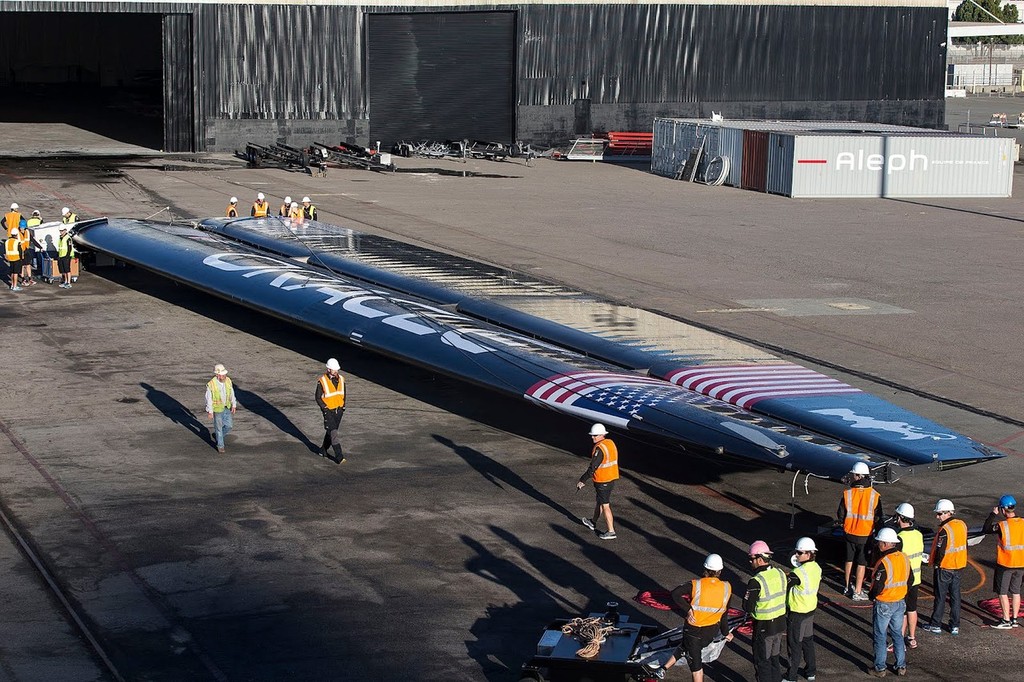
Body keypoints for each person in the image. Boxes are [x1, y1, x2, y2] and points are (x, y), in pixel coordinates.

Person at [661, 553, 734, 682]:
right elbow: (724, 613)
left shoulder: (696, 585)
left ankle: (662, 670)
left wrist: (688, 609)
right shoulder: (727, 588)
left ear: (705, 569)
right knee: (684, 647)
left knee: (697, 669)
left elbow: (675, 594)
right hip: (710, 631)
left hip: (694, 631)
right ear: (720, 571)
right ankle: (663, 669)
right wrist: (726, 633)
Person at [868, 527, 912, 677]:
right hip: (900, 602)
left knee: (880, 636)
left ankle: (880, 668)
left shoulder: (884, 562)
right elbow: (910, 580)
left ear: (886, 544)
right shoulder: (904, 557)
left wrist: (871, 595)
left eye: (880, 542)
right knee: (897, 635)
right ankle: (901, 666)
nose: (878, 545)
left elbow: (878, 586)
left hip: (884, 603)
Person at [837, 461, 883, 600]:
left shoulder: (848, 493)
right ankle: (857, 590)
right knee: (861, 562)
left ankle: (847, 586)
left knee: (849, 559)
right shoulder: (875, 495)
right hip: (866, 534)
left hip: (849, 532)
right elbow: (878, 517)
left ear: (857, 476)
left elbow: (840, 514)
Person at [922, 498, 967, 636]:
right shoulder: (962, 525)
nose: (938, 517)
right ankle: (955, 625)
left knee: (940, 597)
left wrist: (935, 563)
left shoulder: (944, 530)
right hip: (957, 567)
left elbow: (941, 550)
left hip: (944, 568)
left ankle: (935, 624)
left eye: (940, 514)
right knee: (955, 597)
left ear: (948, 513)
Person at [743, 540, 786, 682]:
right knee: (774, 660)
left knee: (762, 662)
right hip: (779, 625)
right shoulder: (780, 573)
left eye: (751, 559)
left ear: (760, 559)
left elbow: (747, 607)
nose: (750, 562)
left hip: (764, 628)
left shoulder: (756, 581)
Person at [984, 494, 1024, 629]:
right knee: (1016, 592)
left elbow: (986, 528)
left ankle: (1006, 620)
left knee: (1002, 592)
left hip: (1006, 564)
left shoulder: (1002, 525)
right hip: (1021, 564)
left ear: (1002, 510)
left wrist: (992, 514)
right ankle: (1014, 620)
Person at [784, 537, 820, 682]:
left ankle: (791, 676)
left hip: (797, 612)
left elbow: (786, 584)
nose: (796, 555)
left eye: (799, 552)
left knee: (794, 644)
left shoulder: (798, 573)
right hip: (810, 610)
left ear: (809, 554)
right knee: (807, 642)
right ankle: (811, 672)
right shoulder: (817, 567)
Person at [575, 423, 619, 540]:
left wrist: (582, 480)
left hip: (602, 480)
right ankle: (592, 522)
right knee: (600, 501)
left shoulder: (600, 448)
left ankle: (611, 531)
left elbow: (593, 467)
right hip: (611, 477)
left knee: (605, 505)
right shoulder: (610, 443)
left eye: (595, 435)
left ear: (602, 435)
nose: (592, 437)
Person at [891, 503, 923, 649]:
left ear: (900, 518)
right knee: (912, 609)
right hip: (916, 578)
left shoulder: (899, 537)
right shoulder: (919, 534)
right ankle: (912, 638)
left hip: (903, 581)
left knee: (900, 612)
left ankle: (898, 641)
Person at [316, 358, 346, 463]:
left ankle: (323, 450)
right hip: (328, 411)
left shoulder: (341, 379)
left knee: (331, 431)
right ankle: (339, 457)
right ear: (329, 369)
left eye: (337, 369)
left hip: (339, 411)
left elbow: (343, 394)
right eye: (334, 369)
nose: (336, 371)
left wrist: (343, 407)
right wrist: (325, 409)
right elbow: (318, 397)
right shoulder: (322, 381)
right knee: (333, 433)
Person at [205, 364, 237, 453]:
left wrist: (233, 404)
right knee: (218, 428)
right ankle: (220, 446)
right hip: (217, 409)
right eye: (222, 375)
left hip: (226, 407)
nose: (224, 376)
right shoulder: (211, 385)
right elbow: (209, 399)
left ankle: (219, 436)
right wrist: (210, 411)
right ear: (217, 375)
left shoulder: (228, 381)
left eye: (224, 374)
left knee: (229, 426)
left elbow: (231, 393)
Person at [18, 222, 40, 287]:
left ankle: (30, 279)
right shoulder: (17, 233)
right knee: (21, 266)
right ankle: (23, 279)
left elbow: (32, 240)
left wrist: (40, 247)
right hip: (20, 251)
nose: (23, 229)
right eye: (22, 227)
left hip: (26, 251)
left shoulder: (27, 232)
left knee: (28, 265)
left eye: (24, 227)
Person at [5, 225, 23, 291]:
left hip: (10, 258)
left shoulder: (7, 241)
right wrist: (21, 258)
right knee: (15, 273)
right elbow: (20, 251)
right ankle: (15, 286)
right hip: (16, 258)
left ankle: (12, 285)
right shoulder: (17, 242)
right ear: (16, 235)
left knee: (12, 272)